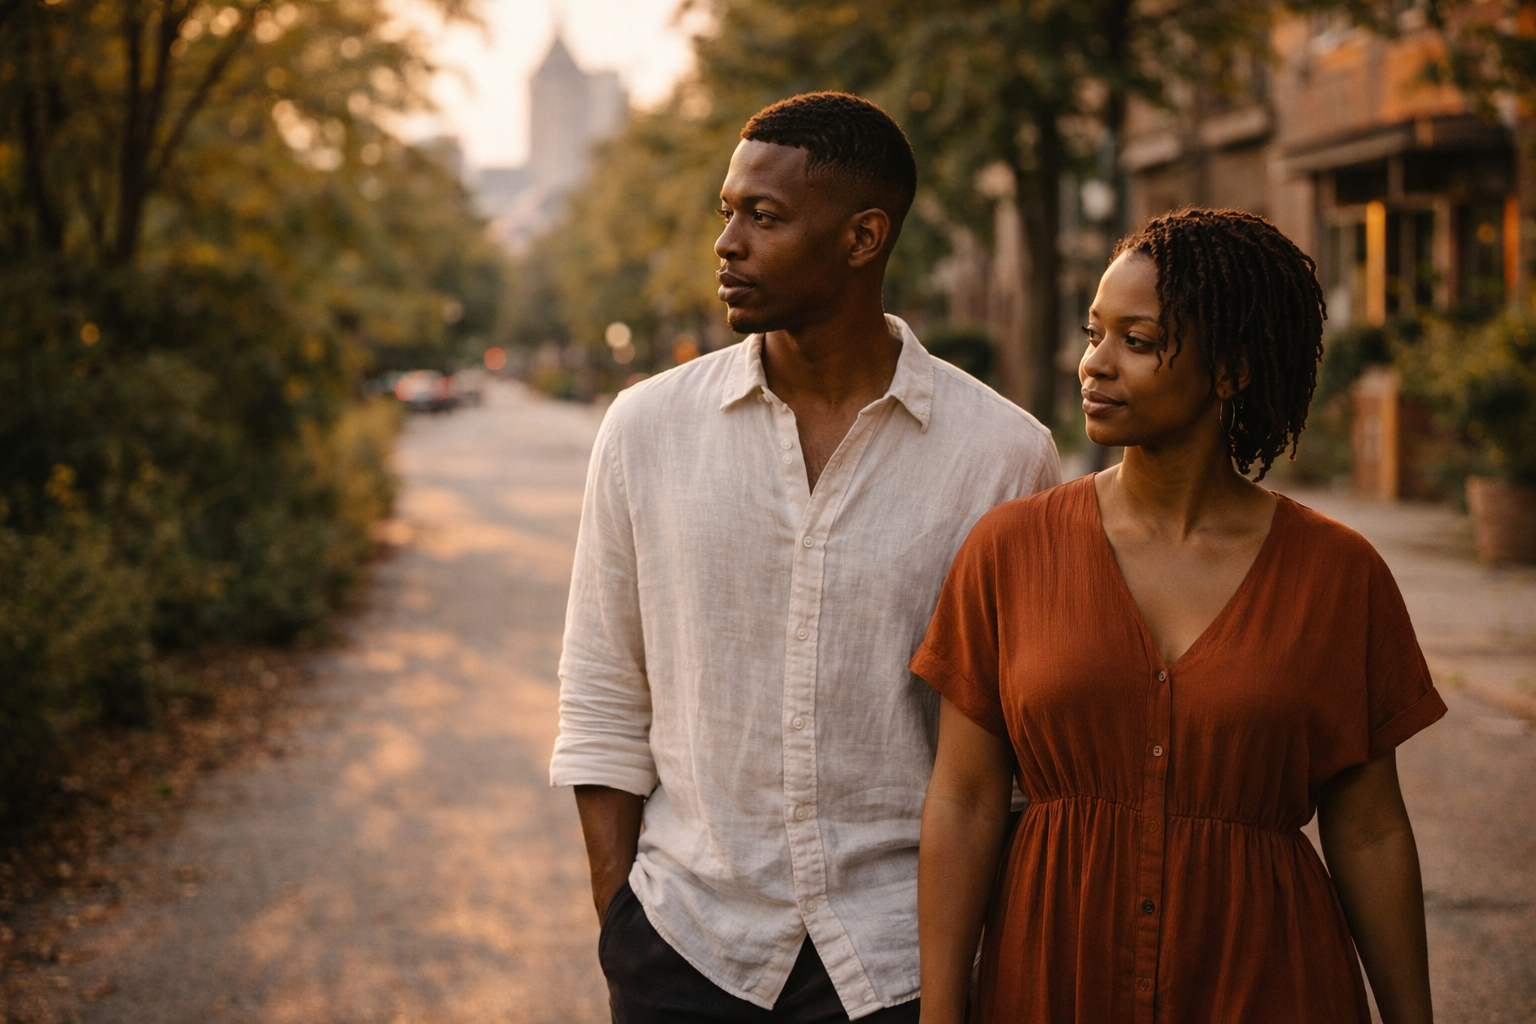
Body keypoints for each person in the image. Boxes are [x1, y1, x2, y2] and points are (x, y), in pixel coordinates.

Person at [549, 92, 1060, 1024]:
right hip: (685, 948)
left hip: (900, 965)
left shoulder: (1003, 455)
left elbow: (1014, 757)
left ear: (863, 237)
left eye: (765, 216)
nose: (727, 243)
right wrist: (621, 928)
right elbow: (603, 701)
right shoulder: (645, 429)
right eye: (727, 211)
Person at [912, 208, 1444, 1024]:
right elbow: (965, 801)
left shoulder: (1339, 575)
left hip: (1269, 984)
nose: (1095, 363)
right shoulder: (1009, 550)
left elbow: (1370, 831)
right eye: (1094, 334)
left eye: (1138, 340)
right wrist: (941, 1013)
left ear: (1230, 370)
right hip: (1054, 980)